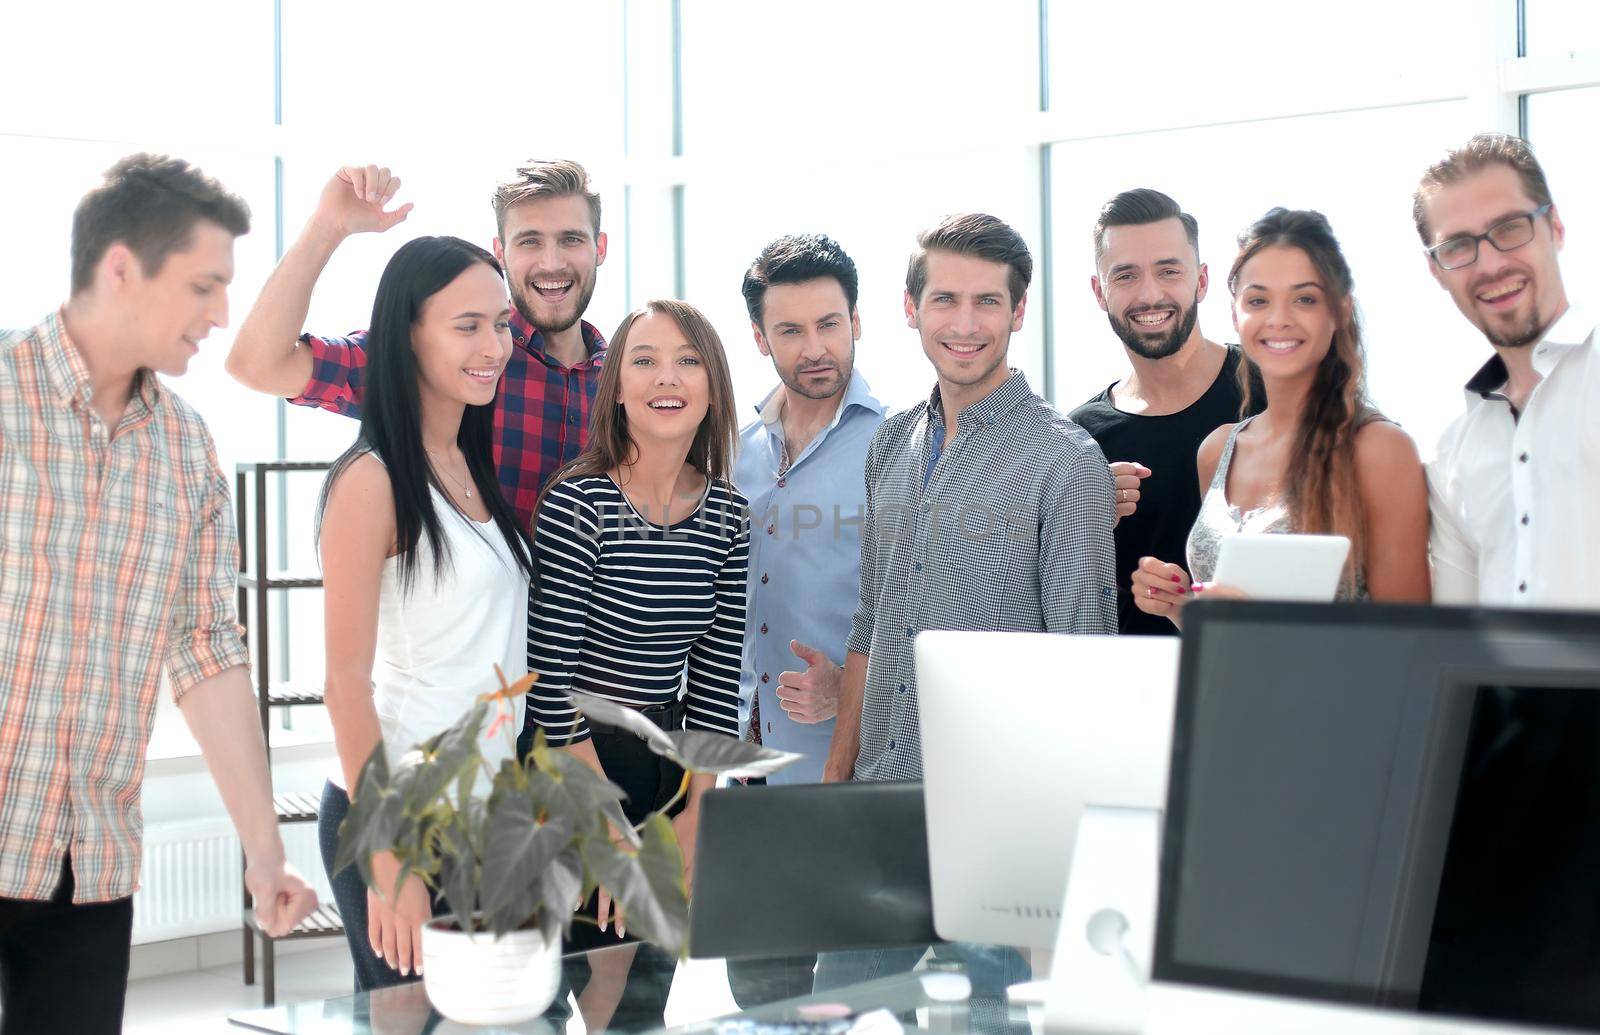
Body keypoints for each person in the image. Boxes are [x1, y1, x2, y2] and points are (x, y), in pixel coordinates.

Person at [0, 154, 317, 1035]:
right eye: (204, 286)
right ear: (121, 268)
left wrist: (264, 853)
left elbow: (209, 651)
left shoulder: (186, 450)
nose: (221, 314)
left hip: (89, 864)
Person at [223, 160, 610, 758]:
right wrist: (328, 228)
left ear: (600, 248)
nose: (552, 261)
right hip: (459, 735)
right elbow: (257, 362)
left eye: (571, 239)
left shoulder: (627, 386)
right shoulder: (455, 360)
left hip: (581, 721)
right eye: (530, 241)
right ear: (500, 253)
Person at [823, 212, 1117, 786]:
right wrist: (835, 777)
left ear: (1019, 311)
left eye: (986, 301)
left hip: (998, 801)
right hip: (875, 796)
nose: (964, 323)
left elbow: (1082, 662)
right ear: (912, 309)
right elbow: (872, 619)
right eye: (945, 299)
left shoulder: (1067, 461)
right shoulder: (889, 443)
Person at [313, 237, 536, 989]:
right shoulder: (371, 481)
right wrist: (388, 855)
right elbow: (345, 682)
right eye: (467, 324)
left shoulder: (472, 467)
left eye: (502, 323)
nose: (494, 345)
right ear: (407, 333)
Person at [524, 298, 748, 938]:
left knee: (641, 1005)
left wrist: (697, 812)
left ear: (713, 388)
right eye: (643, 361)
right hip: (574, 766)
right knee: (565, 988)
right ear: (616, 389)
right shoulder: (580, 500)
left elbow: (715, 681)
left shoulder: (729, 514)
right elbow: (550, 689)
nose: (667, 378)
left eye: (688, 361)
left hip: (671, 768)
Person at [1132, 208, 1431, 627]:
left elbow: (1410, 644)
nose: (1279, 319)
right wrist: (1183, 608)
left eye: (1305, 299)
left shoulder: (1378, 449)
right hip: (1223, 692)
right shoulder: (1219, 450)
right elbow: (1227, 639)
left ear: (1340, 310)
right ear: (1236, 314)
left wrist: (1256, 624)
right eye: (1258, 300)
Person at [1413, 132, 1600, 608]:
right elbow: (1460, 641)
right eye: (1457, 246)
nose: (1491, 263)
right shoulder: (1451, 449)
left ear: (1555, 226)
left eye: (1510, 228)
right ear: (1436, 271)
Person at [1070, 189, 1260, 635]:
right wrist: (1087, 521)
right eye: (1126, 276)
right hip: (1128, 692)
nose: (1149, 294)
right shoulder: (1078, 437)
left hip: (1259, 683)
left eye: (1168, 271)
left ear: (1202, 280)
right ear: (1100, 292)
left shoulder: (1275, 390)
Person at [734, 234, 886, 785]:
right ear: (759, 337)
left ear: (856, 323)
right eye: (790, 331)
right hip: (742, 765)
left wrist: (847, 686)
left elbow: (929, 612)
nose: (814, 348)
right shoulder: (735, 451)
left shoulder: (903, 447)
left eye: (829, 324)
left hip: (846, 768)